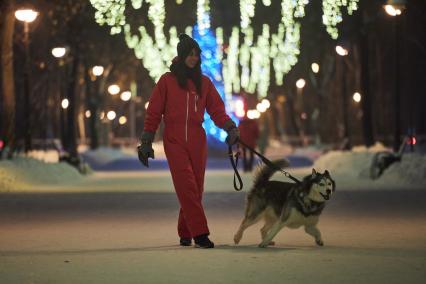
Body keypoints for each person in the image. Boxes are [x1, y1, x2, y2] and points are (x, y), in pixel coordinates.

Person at [137, 34, 239, 249]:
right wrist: (146, 140)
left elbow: (217, 110)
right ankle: (200, 233)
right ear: (181, 55)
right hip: (174, 139)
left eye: (196, 54)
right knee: (187, 186)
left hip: (196, 139)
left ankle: (186, 231)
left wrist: (230, 127)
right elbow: (154, 112)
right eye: (190, 54)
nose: (193, 58)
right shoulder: (167, 81)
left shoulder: (204, 83)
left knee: (196, 188)